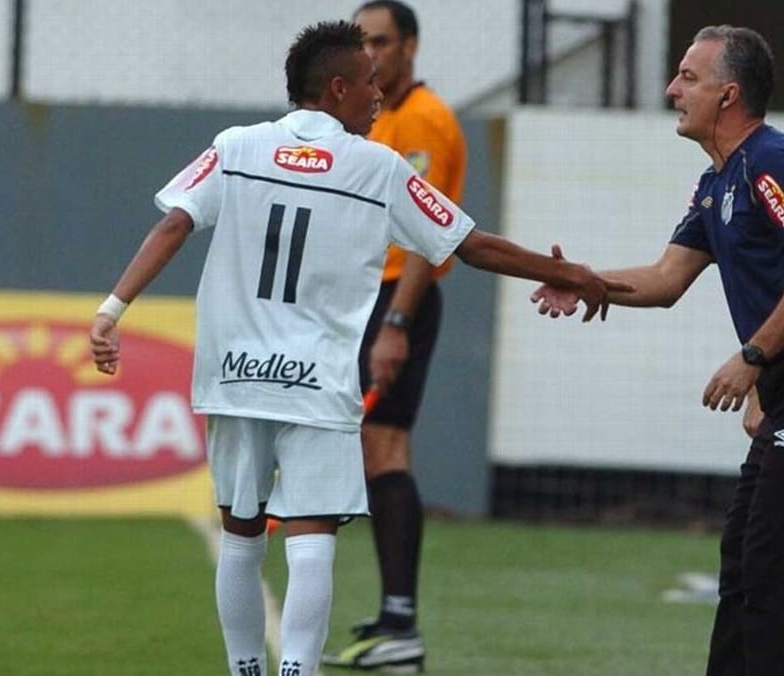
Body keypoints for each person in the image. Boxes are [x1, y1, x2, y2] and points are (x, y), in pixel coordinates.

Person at [89, 20, 626, 676]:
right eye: (368, 83)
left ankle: (245, 671)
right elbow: (468, 243)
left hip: (235, 376)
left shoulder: (236, 147)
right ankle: (298, 673)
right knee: (312, 538)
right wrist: (569, 271)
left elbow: (175, 221)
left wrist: (113, 309)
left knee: (241, 532)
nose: (378, 95)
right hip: (316, 381)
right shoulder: (377, 167)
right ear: (337, 88)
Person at [532, 25, 784, 675]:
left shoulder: (774, 161)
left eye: (687, 78)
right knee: (746, 555)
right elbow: (666, 280)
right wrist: (582, 280)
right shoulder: (717, 181)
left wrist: (752, 357)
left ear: (728, 96)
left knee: (778, 558)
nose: (672, 89)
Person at [323, 3, 465, 672]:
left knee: (385, 448)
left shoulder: (426, 121)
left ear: (408, 44)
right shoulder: (372, 117)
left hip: (395, 300)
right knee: (374, 450)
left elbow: (420, 240)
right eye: (363, 44)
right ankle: (393, 616)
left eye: (381, 41)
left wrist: (396, 326)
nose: (372, 55)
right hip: (361, 295)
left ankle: (402, 620)